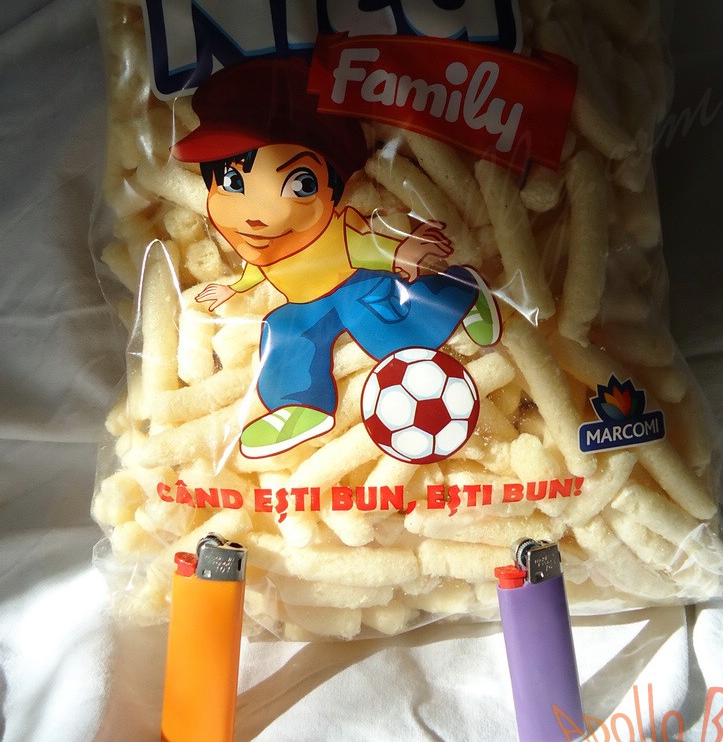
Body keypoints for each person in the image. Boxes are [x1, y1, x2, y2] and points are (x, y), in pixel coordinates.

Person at [171, 56, 500, 458]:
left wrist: (400, 250)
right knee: (282, 332)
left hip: (353, 284)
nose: (256, 214)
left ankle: (463, 292)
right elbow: (260, 271)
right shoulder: (264, 250)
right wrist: (233, 289)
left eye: (300, 184)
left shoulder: (337, 231)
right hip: (306, 303)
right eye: (232, 181)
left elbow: (363, 246)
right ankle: (300, 406)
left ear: (333, 189)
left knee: (386, 326)